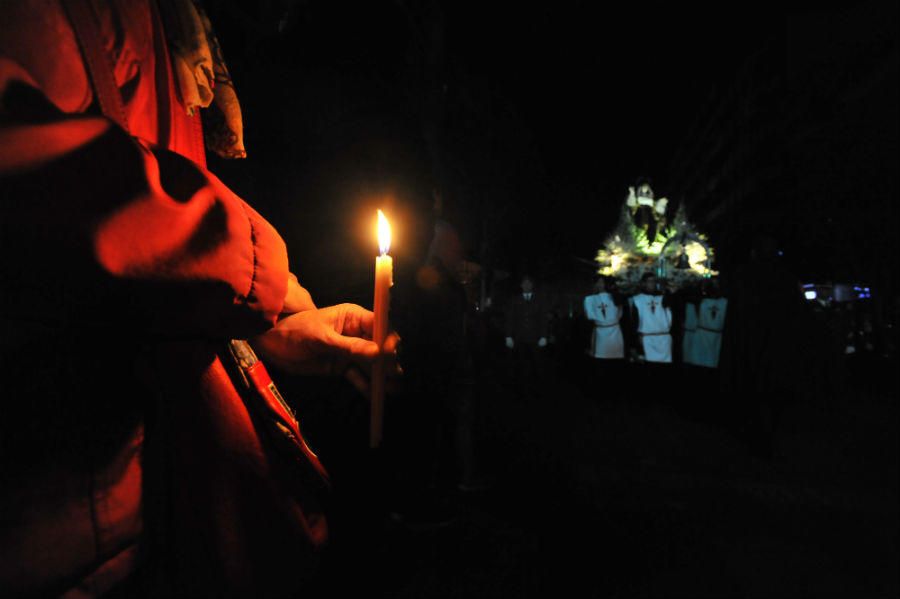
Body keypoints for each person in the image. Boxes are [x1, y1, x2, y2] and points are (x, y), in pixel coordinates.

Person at [0, 2, 393, 596]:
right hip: (47, 522)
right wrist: (253, 272)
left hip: (154, 499)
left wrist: (261, 327)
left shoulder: (173, 21)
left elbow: (143, 263)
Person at [504, 275, 550, 400]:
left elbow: (543, 319)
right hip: (519, 338)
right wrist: (508, 336)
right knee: (521, 365)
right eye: (524, 283)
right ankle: (522, 391)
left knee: (537, 366)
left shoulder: (540, 299)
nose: (527, 285)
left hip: (536, 338)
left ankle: (539, 391)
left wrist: (544, 336)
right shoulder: (515, 299)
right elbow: (510, 319)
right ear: (521, 285)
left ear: (532, 285)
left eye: (529, 283)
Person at [628, 273, 673, 363]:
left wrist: (667, 291)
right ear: (644, 283)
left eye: (654, 281)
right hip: (646, 340)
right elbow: (634, 323)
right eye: (649, 281)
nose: (652, 283)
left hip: (664, 340)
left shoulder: (663, 298)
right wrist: (633, 343)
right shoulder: (637, 300)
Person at [584, 276, 625, 360]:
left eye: (602, 282)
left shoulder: (615, 297)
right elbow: (589, 317)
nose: (600, 285)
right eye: (598, 282)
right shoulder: (589, 299)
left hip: (615, 332)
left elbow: (620, 313)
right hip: (600, 333)